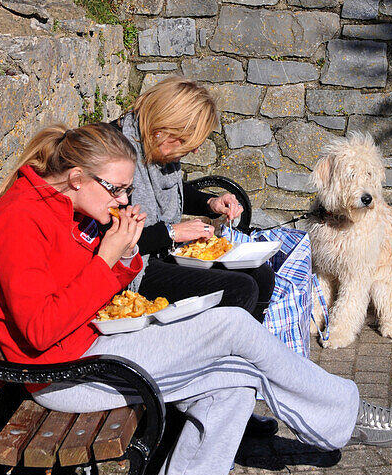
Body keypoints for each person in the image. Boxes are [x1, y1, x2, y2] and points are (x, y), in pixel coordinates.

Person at [0, 121, 392, 475]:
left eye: (127, 190)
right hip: (66, 373)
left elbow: (82, 288)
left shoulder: (61, 206)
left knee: (235, 377)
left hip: (91, 342)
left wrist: (123, 253)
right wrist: (107, 256)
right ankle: (347, 411)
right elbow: (39, 330)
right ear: (76, 178)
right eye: (117, 190)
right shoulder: (19, 219)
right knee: (231, 325)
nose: (123, 200)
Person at [118, 79, 275, 324]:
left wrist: (210, 204)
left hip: (161, 251)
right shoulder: (116, 152)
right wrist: (171, 233)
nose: (192, 152)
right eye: (187, 141)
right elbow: (110, 238)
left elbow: (175, 189)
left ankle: (247, 349)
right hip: (134, 266)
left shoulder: (155, 144)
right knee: (240, 289)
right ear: (165, 127)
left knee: (262, 274)